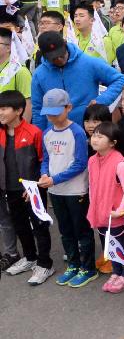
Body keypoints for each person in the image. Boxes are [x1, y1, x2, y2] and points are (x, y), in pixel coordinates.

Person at [38, 88, 96, 287]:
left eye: (56, 112)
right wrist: (45, 173)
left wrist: (55, 179)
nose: (52, 117)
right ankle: (73, 264)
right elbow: (45, 159)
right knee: (65, 230)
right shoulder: (47, 133)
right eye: (49, 113)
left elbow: (80, 163)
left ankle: (88, 268)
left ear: (68, 108)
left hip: (75, 190)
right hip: (55, 191)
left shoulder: (77, 132)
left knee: (82, 230)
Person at [0, 90, 52, 280]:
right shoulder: (1, 132)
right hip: (9, 189)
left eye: (4, 109)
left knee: (40, 226)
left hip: (32, 190)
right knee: (19, 225)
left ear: (19, 110)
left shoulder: (34, 132)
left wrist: (35, 188)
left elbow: (42, 161)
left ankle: (45, 263)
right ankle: (30, 257)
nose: (0, 113)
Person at [30, 32, 124, 133]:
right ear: (44, 55)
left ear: (65, 43)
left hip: (88, 131)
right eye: (53, 58)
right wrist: (40, 137)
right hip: (55, 134)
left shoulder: (88, 62)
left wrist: (101, 100)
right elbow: (38, 108)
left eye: (61, 54)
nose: (59, 59)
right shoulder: (39, 74)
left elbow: (119, 80)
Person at [86, 122, 124, 293]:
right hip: (100, 212)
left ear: (112, 142)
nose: (95, 139)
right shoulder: (92, 160)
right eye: (94, 136)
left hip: (116, 214)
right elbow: (91, 185)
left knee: (122, 244)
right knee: (110, 244)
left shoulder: (119, 162)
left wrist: (120, 210)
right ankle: (116, 271)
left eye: (100, 136)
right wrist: (93, 204)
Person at [0, 27, 32, 121]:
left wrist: (23, 132)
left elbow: (28, 103)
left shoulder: (20, 71)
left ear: (8, 47)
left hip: (11, 128)